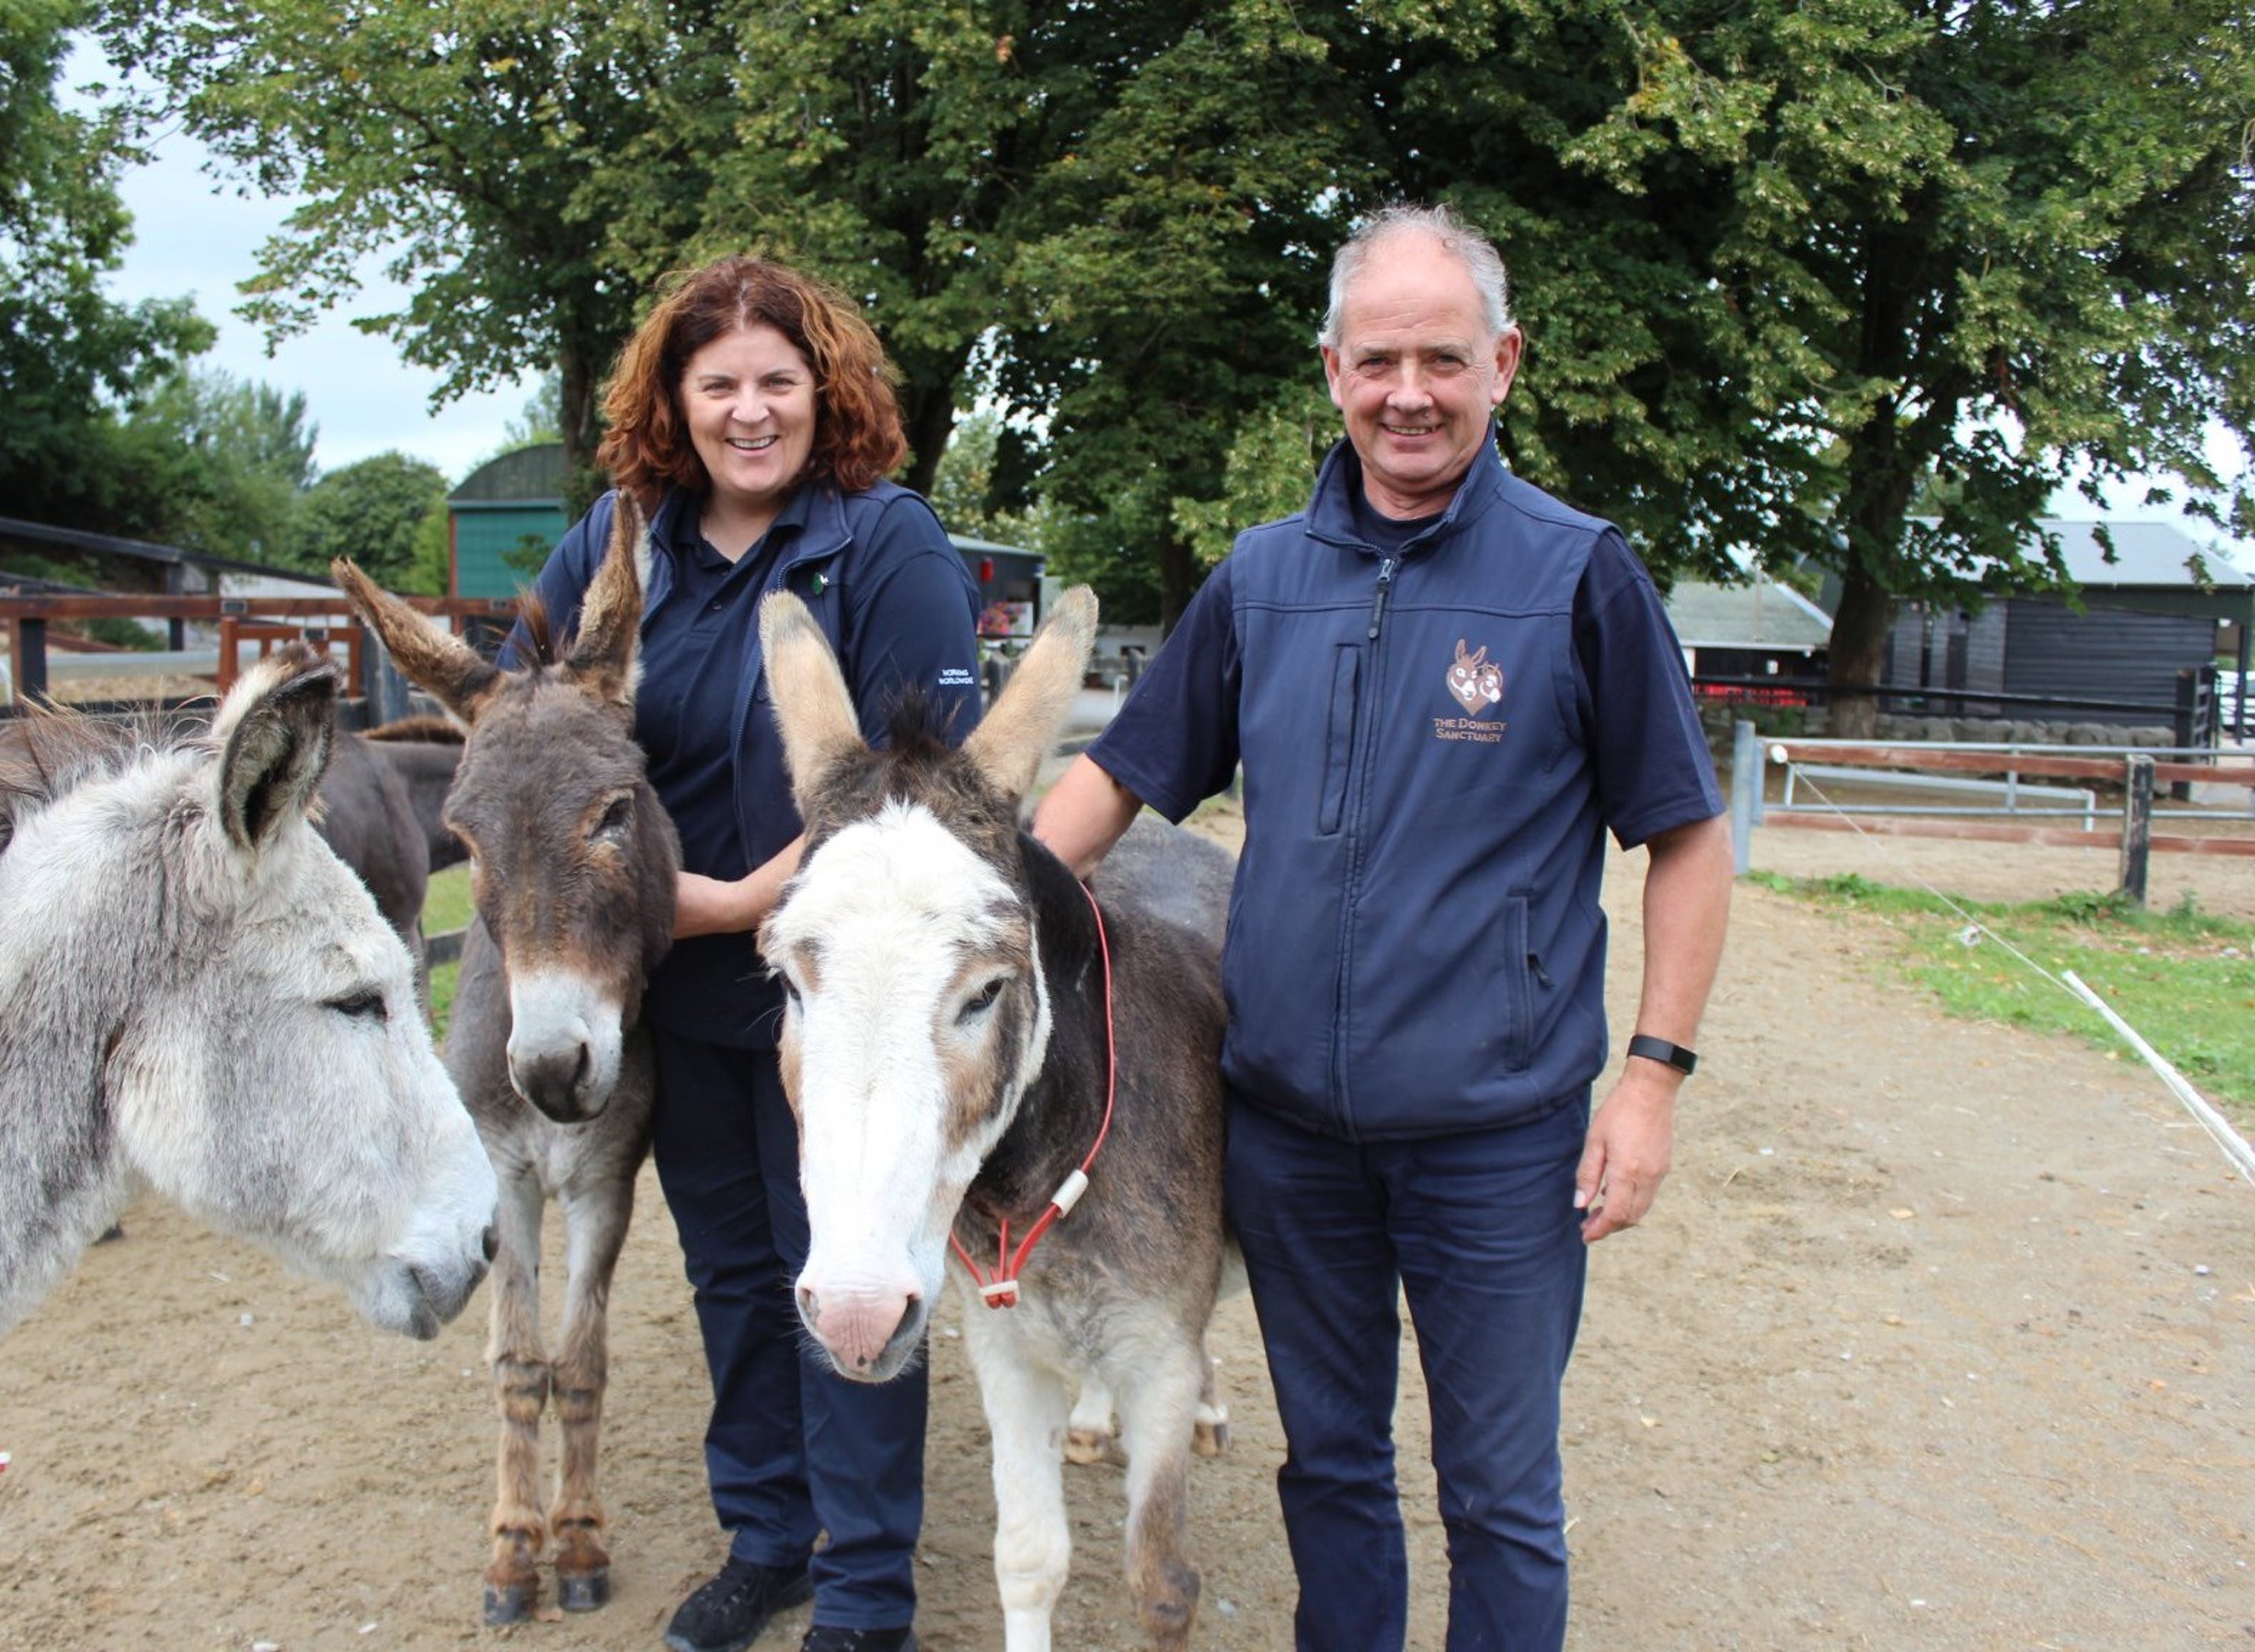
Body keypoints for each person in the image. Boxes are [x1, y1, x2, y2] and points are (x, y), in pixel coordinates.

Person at [1030, 203, 1732, 1650]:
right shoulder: (1262, 579)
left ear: (1505, 365)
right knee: (1332, 1469)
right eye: (1379, 360)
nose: (1409, 392)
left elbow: (1688, 836)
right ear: (1332, 369)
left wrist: (1652, 1080)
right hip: (1290, 1134)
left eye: (1444, 359)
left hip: (1499, 1137)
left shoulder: (1577, 576)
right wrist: (967, 899)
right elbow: (1117, 776)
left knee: (1497, 1490)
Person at [514, 256, 983, 1652]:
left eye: (778, 380)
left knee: (846, 1267)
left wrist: (725, 906)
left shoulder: (883, 542)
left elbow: (918, 784)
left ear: (822, 387)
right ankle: (769, 1536)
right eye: (718, 384)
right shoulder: (623, 538)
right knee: (733, 1272)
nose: (750, 411)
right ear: (674, 398)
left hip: (842, 1008)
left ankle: (863, 1588)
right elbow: (532, 721)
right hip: (678, 999)